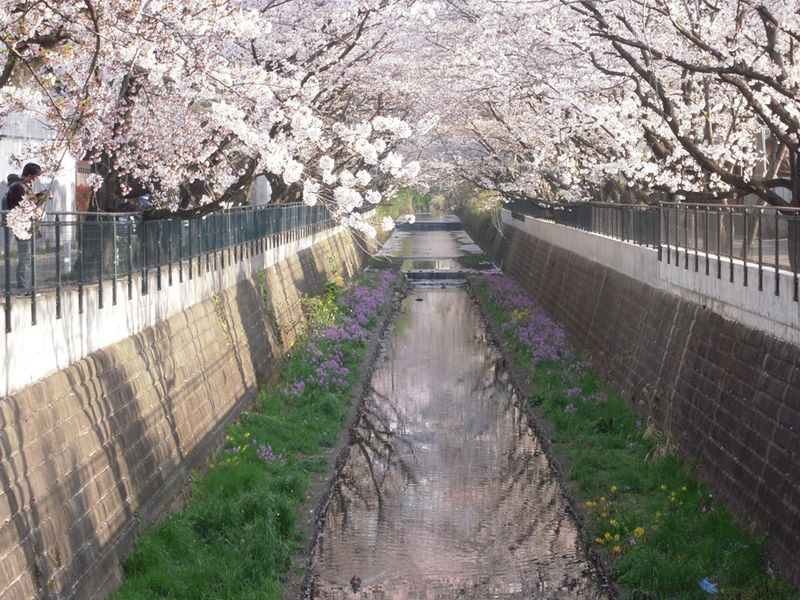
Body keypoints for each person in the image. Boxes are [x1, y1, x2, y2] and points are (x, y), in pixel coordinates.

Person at [6, 163, 49, 293]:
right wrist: (43, 196)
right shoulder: (20, 187)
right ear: (29, 175)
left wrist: (40, 196)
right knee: (25, 258)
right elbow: (28, 205)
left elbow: (30, 202)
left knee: (27, 258)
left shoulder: (20, 186)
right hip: (23, 227)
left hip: (25, 226)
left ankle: (26, 287)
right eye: (35, 177)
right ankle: (23, 288)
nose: (35, 180)